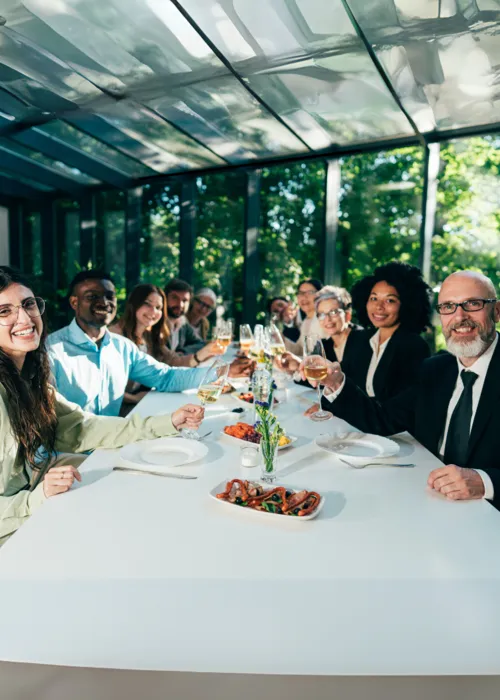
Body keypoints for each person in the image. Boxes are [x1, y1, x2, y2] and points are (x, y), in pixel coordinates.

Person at [0, 267, 204, 545]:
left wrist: (169, 422)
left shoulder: (32, 380)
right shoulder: (48, 356)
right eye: (4, 312)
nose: (24, 318)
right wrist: (37, 498)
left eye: (28, 304)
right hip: (16, 537)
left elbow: (82, 427)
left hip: (42, 505)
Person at [307, 270, 500, 505]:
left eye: (473, 304)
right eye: (448, 306)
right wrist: (336, 383)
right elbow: (382, 420)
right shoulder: (435, 370)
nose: (459, 317)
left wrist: (486, 481)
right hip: (427, 497)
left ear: (496, 311)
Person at [48, 271, 252, 417]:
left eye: (109, 296)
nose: (104, 303)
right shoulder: (52, 351)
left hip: (115, 440)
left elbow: (167, 376)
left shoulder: (122, 347)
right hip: (73, 457)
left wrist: (223, 372)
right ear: (74, 303)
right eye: (92, 297)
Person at [110, 284, 225, 413]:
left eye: (158, 307)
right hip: (118, 409)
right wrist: (133, 398)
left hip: (143, 399)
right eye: (148, 304)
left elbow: (172, 363)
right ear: (134, 304)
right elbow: (105, 386)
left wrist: (206, 358)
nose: (153, 312)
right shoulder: (115, 337)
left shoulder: (149, 336)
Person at [345, 261, 432, 401]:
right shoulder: (358, 338)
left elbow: (403, 410)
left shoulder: (414, 346)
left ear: (407, 305)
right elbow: (345, 384)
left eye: (390, 300)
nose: (378, 306)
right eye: (374, 298)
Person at [283, 278, 325, 354]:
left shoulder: (324, 319)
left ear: (320, 295)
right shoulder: (306, 321)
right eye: (301, 293)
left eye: (310, 292)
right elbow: (299, 350)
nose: (304, 297)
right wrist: (282, 339)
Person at [164, 278, 205, 354]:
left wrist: (183, 352)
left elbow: (200, 343)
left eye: (185, 300)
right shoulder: (156, 321)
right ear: (165, 298)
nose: (180, 304)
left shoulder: (182, 321)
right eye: (174, 298)